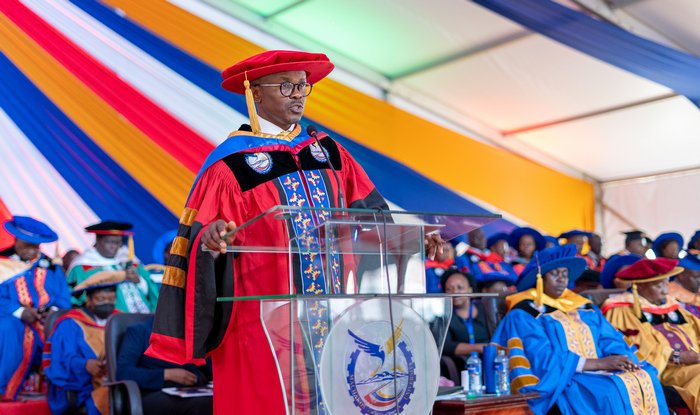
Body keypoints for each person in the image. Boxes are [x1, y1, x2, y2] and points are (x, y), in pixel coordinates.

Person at [145, 50, 413, 415]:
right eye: (287, 86)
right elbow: (197, 238)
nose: (299, 94)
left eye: (304, 86)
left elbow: (374, 214)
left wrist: (413, 239)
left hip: (333, 317)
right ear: (255, 94)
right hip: (260, 325)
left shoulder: (328, 152)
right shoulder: (231, 167)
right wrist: (211, 237)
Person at [491, 244, 667, 415]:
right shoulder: (525, 312)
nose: (562, 280)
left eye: (565, 274)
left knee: (646, 377)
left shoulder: (583, 307)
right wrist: (597, 364)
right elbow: (540, 357)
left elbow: (609, 338)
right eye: (555, 274)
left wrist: (623, 359)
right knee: (610, 392)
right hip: (565, 377)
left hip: (602, 371)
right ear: (541, 278)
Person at [602, 258, 700, 414]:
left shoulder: (671, 304)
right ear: (640, 286)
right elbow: (633, 346)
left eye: (666, 283)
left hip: (693, 363)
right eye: (658, 285)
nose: (664, 290)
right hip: (664, 369)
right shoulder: (622, 309)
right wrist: (677, 356)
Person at [0, 217, 71, 400]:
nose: (32, 250)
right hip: (11, 317)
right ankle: (5, 391)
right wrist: (21, 312)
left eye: (36, 246)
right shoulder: (2, 262)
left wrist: (52, 312)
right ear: (16, 240)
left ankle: (62, 395)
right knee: (9, 329)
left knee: (67, 331)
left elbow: (63, 297)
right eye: (27, 245)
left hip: (45, 320)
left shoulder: (49, 266)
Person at [43, 273, 120, 415]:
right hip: (82, 386)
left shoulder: (119, 320)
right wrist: (84, 364)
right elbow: (62, 358)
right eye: (101, 299)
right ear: (89, 299)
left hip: (116, 379)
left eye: (111, 299)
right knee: (108, 398)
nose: (106, 304)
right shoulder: (71, 323)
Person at [117, 315, 212, 415]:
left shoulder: (193, 333)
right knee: (202, 404)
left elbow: (208, 369)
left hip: (194, 389)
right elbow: (123, 373)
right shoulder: (140, 331)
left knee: (218, 400)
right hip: (154, 392)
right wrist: (166, 374)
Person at [68, 221, 158, 313]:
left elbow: (153, 291)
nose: (114, 246)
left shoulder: (130, 262)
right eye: (109, 242)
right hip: (112, 322)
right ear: (98, 241)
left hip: (147, 316)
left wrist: (139, 281)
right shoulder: (82, 267)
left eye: (118, 242)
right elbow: (76, 299)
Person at [436, 270, 490, 369]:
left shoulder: (486, 311)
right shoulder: (442, 316)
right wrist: (480, 348)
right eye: (449, 289)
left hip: (489, 362)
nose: (455, 292)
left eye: (460, 288)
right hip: (460, 367)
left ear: (470, 290)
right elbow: (446, 346)